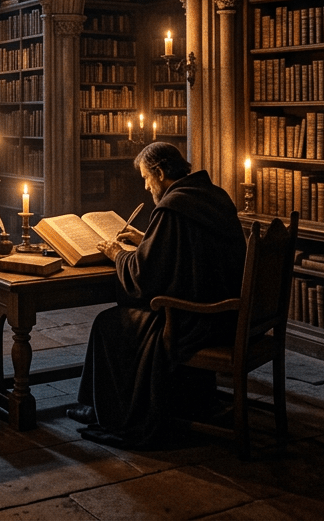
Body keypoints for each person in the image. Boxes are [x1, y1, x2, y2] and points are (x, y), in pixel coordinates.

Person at [67, 142, 247, 448]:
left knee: (108, 324)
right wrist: (145, 238)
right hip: (229, 315)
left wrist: (116, 254)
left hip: (196, 320)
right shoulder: (212, 195)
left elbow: (144, 277)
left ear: (160, 173)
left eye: (146, 179)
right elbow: (186, 250)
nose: (147, 187)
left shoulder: (173, 206)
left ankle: (109, 411)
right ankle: (101, 407)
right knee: (117, 323)